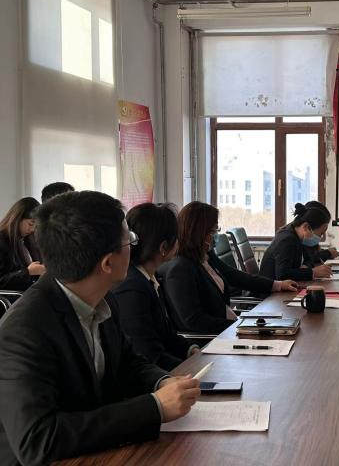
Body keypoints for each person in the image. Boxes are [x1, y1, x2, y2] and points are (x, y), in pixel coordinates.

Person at [0, 191, 200, 465]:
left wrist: (162, 381)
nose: (134, 246)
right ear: (108, 263)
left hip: (101, 451)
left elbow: (127, 362)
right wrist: (154, 408)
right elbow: (38, 440)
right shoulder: (24, 329)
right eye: (129, 240)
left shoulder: (101, 297)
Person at [160, 201, 297, 334]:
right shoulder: (180, 270)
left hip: (228, 328)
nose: (216, 235)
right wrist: (238, 326)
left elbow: (233, 275)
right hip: (211, 338)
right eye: (213, 230)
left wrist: (277, 285)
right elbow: (194, 321)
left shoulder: (205, 255)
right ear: (199, 233)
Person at [112, 203, 200, 371]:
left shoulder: (148, 279)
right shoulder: (132, 288)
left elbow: (166, 334)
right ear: (163, 247)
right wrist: (192, 370)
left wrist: (191, 350)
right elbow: (148, 355)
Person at [260, 201, 335, 281]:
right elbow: (283, 275)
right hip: (270, 288)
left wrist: (306, 268)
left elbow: (309, 260)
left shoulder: (297, 237)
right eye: (320, 234)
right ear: (306, 227)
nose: (320, 237)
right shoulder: (287, 240)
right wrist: (313, 272)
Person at [0, 197, 45, 291]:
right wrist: (28, 272)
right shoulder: (2, 240)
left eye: (35, 226)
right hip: (11, 298)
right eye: (30, 224)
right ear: (17, 218)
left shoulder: (24, 240)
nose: (32, 230)